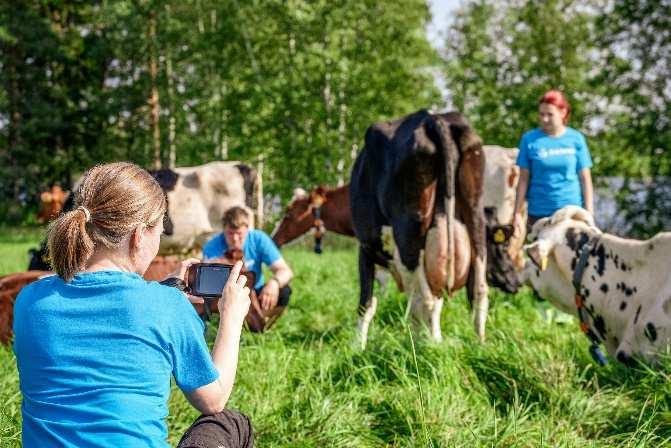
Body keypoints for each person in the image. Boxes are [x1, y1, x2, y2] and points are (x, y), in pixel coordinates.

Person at [13, 162, 254, 448]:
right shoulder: (167, 307)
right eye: (159, 231)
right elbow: (213, 399)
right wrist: (231, 318)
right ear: (140, 235)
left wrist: (164, 293)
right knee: (230, 422)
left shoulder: (30, 300)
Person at [512, 89, 594, 233]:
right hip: (539, 215)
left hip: (571, 214)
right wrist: (517, 213)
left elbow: (585, 179)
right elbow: (523, 179)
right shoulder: (529, 140)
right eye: (541, 114)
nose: (544, 119)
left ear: (563, 113)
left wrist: (589, 214)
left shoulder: (576, 139)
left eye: (550, 114)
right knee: (539, 254)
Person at [202, 206, 293, 331]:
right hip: (224, 295)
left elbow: (285, 271)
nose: (235, 239)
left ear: (247, 230)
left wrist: (274, 283)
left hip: (255, 292)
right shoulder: (212, 247)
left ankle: (262, 326)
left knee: (284, 291)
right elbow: (206, 283)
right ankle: (219, 326)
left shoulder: (258, 239)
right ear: (223, 230)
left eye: (239, 234)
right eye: (230, 233)